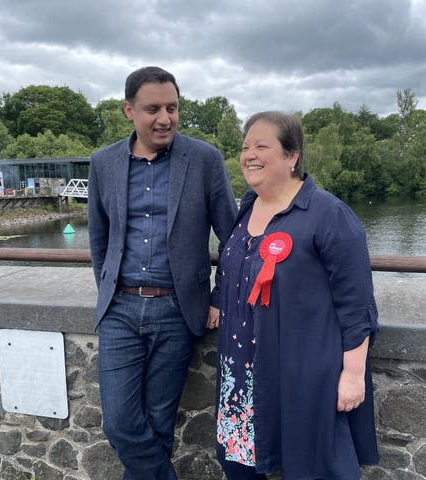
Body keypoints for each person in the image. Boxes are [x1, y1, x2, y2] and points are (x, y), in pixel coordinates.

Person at [88, 66, 237, 480]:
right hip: (119, 309)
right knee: (118, 423)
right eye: (153, 108)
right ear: (128, 111)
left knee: (158, 426)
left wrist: (217, 298)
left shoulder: (205, 159)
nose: (165, 118)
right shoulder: (103, 163)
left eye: (172, 107)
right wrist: (106, 288)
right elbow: (99, 240)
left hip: (177, 311)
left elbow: (234, 238)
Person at [216, 111, 379, 479]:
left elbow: (356, 304)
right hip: (241, 373)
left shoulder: (327, 213)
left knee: (311, 468)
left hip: (303, 374)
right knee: (239, 470)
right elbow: (230, 274)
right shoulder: (246, 208)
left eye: (262, 145)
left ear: (292, 156)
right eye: (245, 147)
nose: (249, 155)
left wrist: (352, 374)